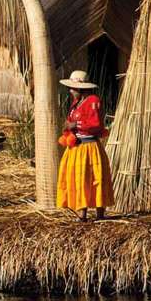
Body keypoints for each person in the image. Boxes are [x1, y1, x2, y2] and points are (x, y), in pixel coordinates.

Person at [56, 70, 114, 221]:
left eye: (73, 88)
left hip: (89, 147)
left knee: (96, 178)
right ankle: (82, 214)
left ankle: (100, 214)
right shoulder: (76, 103)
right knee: (78, 178)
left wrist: (75, 124)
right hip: (76, 147)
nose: (70, 90)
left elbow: (96, 124)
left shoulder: (93, 100)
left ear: (81, 89)